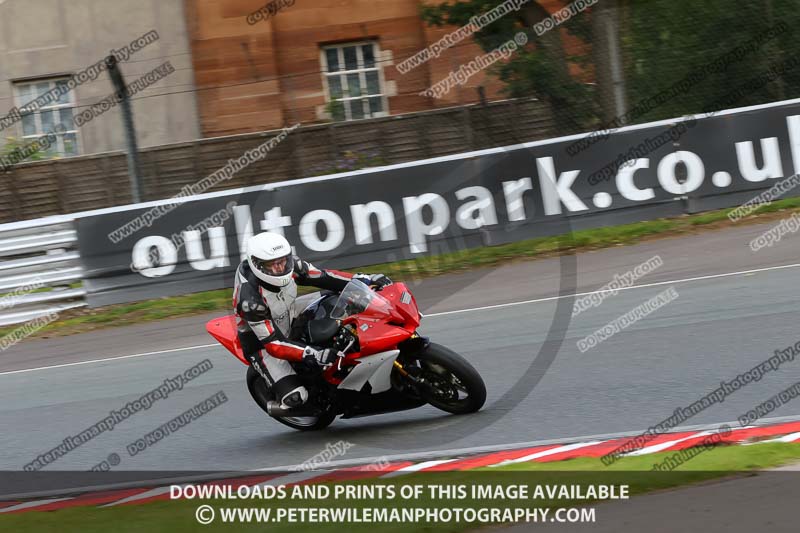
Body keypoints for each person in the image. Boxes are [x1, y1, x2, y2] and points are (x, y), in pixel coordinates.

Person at [233, 232, 392, 409]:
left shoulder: (292, 265)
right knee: (297, 398)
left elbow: (323, 277)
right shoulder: (250, 302)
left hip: (288, 309)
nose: (279, 268)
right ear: (258, 266)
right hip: (262, 343)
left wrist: (363, 279)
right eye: (272, 265)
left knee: (345, 300)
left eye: (282, 261)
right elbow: (274, 343)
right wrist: (314, 353)